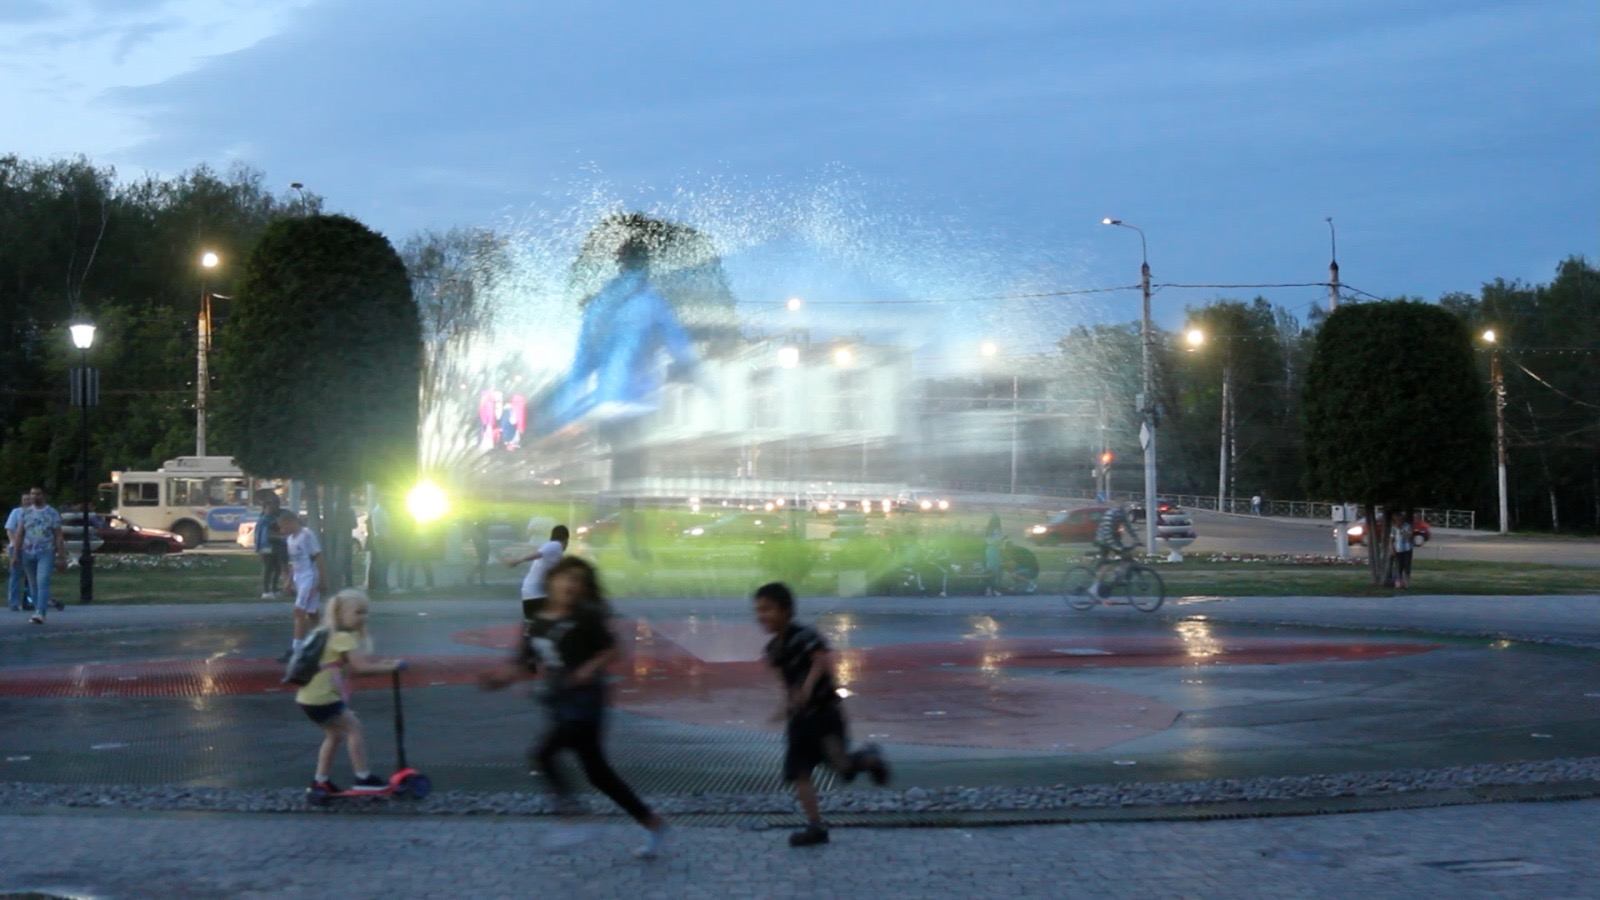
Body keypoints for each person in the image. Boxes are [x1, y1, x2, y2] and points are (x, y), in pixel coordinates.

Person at [479, 556, 668, 859]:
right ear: (552, 580)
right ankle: (653, 823)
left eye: (578, 581)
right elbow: (524, 662)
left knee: (543, 754)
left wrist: (589, 667)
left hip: (586, 702)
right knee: (597, 773)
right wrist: (498, 679)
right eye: (567, 577)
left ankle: (575, 818)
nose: (571, 585)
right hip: (560, 701)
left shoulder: (586, 617)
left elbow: (614, 649)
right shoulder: (537, 621)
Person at [754, 582, 890, 848]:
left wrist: (807, 688)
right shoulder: (773, 650)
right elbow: (785, 681)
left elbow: (819, 660)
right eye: (758, 610)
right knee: (799, 772)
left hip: (825, 715)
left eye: (767, 609)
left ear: (786, 610)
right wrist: (786, 705)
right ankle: (815, 825)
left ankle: (870, 760)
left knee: (840, 765)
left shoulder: (805, 636)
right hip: (800, 720)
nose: (762, 616)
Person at [295, 588, 404, 793]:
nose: (364, 617)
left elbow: (349, 666)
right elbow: (360, 668)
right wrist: (392, 667)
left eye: (366, 612)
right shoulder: (343, 637)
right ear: (340, 613)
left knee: (334, 735)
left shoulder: (324, 632)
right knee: (354, 728)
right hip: (323, 697)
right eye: (358, 612)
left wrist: (383, 664)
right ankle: (363, 778)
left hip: (308, 697)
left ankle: (320, 781)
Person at [279, 510, 327, 662]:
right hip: (299, 578)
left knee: (299, 610)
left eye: (283, 526)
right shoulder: (290, 540)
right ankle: (320, 644)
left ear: (291, 522)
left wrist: (322, 579)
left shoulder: (307, 535)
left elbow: (318, 556)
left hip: (309, 577)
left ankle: (296, 649)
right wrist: (289, 580)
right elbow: (295, 563)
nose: (282, 530)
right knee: (312, 613)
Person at [18, 488, 64, 624]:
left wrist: (61, 555)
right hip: (28, 552)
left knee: (42, 580)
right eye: (32, 493)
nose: (34, 496)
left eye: (38, 494)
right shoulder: (26, 512)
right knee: (32, 584)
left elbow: (58, 535)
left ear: (43, 495)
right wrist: (15, 554)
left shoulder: (52, 513)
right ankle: (37, 609)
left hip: (46, 551)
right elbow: (20, 533)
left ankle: (40, 612)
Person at [510, 525, 568, 621]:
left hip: (533, 593)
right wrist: (518, 560)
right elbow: (538, 554)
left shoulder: (556, 552)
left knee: (538, 623)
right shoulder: (555, 545)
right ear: (566, 539)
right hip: (536, 595)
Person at [1086, 503, 1138, 603]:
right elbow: (1107, 535)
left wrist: (1137, 539)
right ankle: (1093, 588)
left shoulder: (1121, 514)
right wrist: (1118, 547)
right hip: (1103, 540)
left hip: (1113, 539)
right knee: (1106, 564)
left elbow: (1128, 528)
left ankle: (1118, 575)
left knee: (1126, 558)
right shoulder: (1111, 515)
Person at [254, 492, 285, 600]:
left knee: (277, 568)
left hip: (275, 545)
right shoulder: (265, 520)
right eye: (270, 507)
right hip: (266, 546)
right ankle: (266, 590)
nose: (272, 509)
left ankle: (274, 589)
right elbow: (262, 535)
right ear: (265, 508)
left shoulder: (272, 518)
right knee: (268, 568)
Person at [7, 492, 31, 612]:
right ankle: (14, 602)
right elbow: (9, 529)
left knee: (31, 576)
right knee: (15, 575)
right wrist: (14, 542)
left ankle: (29, 601)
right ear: (21, 501)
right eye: (25, 499)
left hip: (31, 548)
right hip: (16, 548)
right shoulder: (16, 512)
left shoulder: (35, 513)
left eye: (28, 499)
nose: (27, 501)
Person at [1391, 510, 1415, 590]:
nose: (1398, 521)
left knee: (1407, 566)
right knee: (1398, 567)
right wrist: (1392, 549)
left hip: (1407, 548)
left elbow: (1409, 537)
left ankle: (1406, 582)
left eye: (1400, 520)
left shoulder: (1407, 526)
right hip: (1398, 549)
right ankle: (1399, 582)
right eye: (1397, 520)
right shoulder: (1393, 528)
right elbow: (1391, 539)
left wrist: (1403, 530)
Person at [983, 514, 1004, 598]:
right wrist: (1002, 540)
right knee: (995, 571)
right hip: (994, 549)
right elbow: (997, 541)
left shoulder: (989, 530)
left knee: (990, 569)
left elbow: (987, 541)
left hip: (989, 549)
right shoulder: (997, 530)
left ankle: (988, 589)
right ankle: (994, 589)